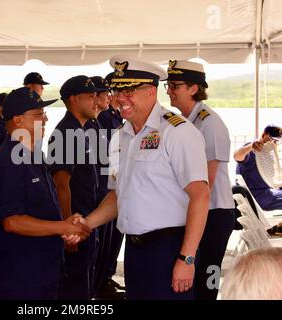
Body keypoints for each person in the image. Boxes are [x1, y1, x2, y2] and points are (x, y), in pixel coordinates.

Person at [85, 55, 210, 300]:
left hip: (170, 248)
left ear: (151, 91)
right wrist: (86, 224)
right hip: (134, 251)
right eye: (117, 90)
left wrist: (187, 258)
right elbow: (117, 194)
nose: (121, 99)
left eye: (129, 90)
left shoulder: (177, 132)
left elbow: (201, 195)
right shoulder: (120, 135)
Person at [0, 87, 90, 300]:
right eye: (39, 115)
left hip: (41, 269)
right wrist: (62, 227)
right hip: (19, 276)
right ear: (19, 121)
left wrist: (66, 222)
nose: (46, 119)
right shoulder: (9, 162)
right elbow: (12, 221)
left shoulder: (31, 154)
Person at [165, 60, 236, 300]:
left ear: (193, 89)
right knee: (195, 278)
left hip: (214, 213)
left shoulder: (209, 122)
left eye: (175, 86)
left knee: (209, 274)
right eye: (169, 85)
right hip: (200, 211)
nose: (169, 91)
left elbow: (207, 182)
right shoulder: (186, 122)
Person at [47, 75, 104, 300]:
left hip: (87, 223)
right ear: (73, 100)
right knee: (74, 289)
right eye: (90, 97)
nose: (96, 102)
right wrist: (67, 229)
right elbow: (61, 185)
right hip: (76, 228)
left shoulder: (81, 131)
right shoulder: (66, 134)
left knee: (84, 284)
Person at [93, 72, 125, 298]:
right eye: (112, 92)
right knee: (105, 240)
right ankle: (100, 281)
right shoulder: (103, 118)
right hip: (105, 187)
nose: (113, 96)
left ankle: (106, 277)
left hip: (115, 183)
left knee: (115, 237)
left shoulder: (115, 116)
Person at [234, 125, 282, 211]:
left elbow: (272, 177)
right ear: (264, 134)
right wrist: (251, 147)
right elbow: (237, 156)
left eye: (277, 141)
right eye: (271, 139)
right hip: (256, 197)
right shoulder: (252, 151)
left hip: (268, 193)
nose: (273, 142)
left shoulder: (268, 154)